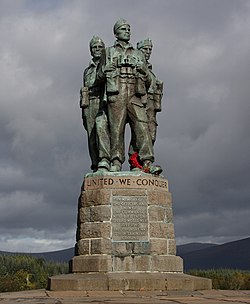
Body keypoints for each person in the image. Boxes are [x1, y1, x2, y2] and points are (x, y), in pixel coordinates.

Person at [97, 19, 161, 174]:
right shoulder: (109, 51)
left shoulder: (138, 53)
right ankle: (116, 162)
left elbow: (150, 80)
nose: (127, 31)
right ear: (116, 32)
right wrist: (105, 70)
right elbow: (98, 77)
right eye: (124, 29)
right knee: (116, 129)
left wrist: (144, 72)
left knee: (142, 126)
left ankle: (147, 162)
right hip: (116, 93)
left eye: (129, 29)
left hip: (135, 94)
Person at [80, 36, 110, 172]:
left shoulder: (106, 65)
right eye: (94, 47)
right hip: (89, 104)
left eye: (100, 47)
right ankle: (95, 164)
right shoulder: (87, 70)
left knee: (101, 129)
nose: (97, 49)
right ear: (91, 51)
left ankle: (105, 160)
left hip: (103, 100)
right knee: (91, 137)